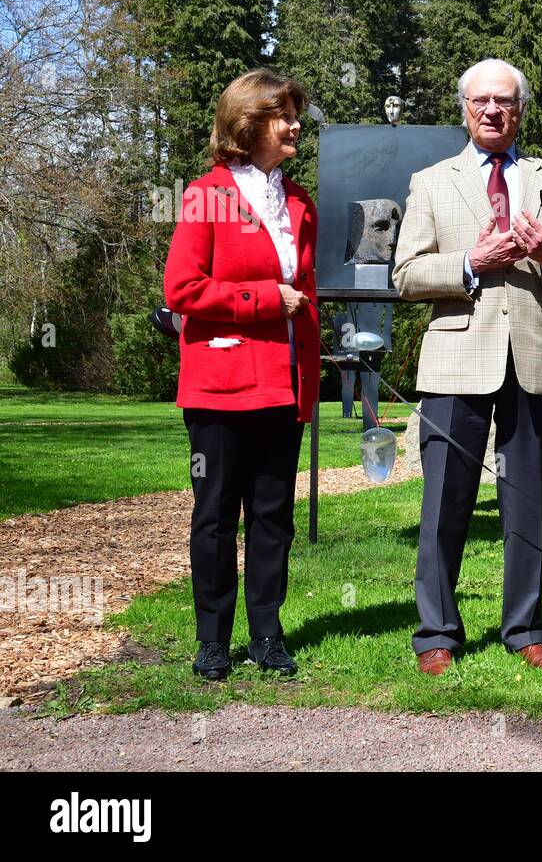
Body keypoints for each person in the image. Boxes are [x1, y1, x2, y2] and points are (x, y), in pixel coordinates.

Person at [393, 58, 542, 676]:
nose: (491, 111)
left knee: (527, 503)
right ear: (464, 108)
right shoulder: (431, 182)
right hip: (456, 363)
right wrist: (470, 263)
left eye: (504, 101)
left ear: (521, 110)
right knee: (444, 504)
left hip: (532, 361)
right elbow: (405, 275)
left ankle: (525, 630)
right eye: (480, 101)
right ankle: (435, 636)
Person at [163, 69, 320, 680]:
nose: (295, 125)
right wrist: (261, 300)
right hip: (220, 385)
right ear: (248, 123)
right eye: (283, 114)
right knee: (215, 515)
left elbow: (302, 296)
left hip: (282, 382)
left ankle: (268, 635)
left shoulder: (301, 200)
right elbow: (181, 289)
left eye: (295, 113)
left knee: (273, 516)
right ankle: (212, 641)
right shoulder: (205, 193)